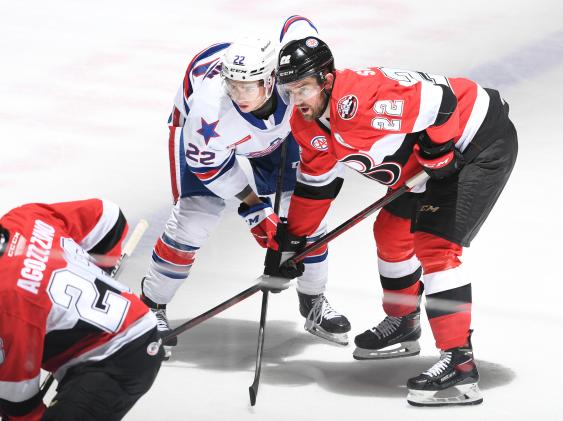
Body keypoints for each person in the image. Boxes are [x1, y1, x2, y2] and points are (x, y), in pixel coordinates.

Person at [273, 37, 518, 406]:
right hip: (430, 163)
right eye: (288, 90)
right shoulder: (305, 123)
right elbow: (315, 188)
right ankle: (404, 323)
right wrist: (293, 240)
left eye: (303, 88)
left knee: (435, 246)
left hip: (476, 142)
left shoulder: (360, 104)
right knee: (390, 233)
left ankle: (460, 363)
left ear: (326, 79)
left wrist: (437, 148)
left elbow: (443, 101)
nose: (297, 100)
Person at [140, 16, 351, 359]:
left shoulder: (291, 76)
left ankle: (313, 299)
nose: (239, 94)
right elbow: (210, 167)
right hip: (213, 143)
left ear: (271, 79)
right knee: (196, 218)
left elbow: (298, 24)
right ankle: (151, 305)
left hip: (278, 135)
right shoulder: (209, 110)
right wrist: (255, 209)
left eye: (248, 85)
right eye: (232, 85)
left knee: (305, 214)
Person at [0, 199, 163, 421]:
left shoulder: (8, 305)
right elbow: (110, 219)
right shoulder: (24, 217)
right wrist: (100, 270)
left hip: (116, 360)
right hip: (128, 325)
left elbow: (20, 408)